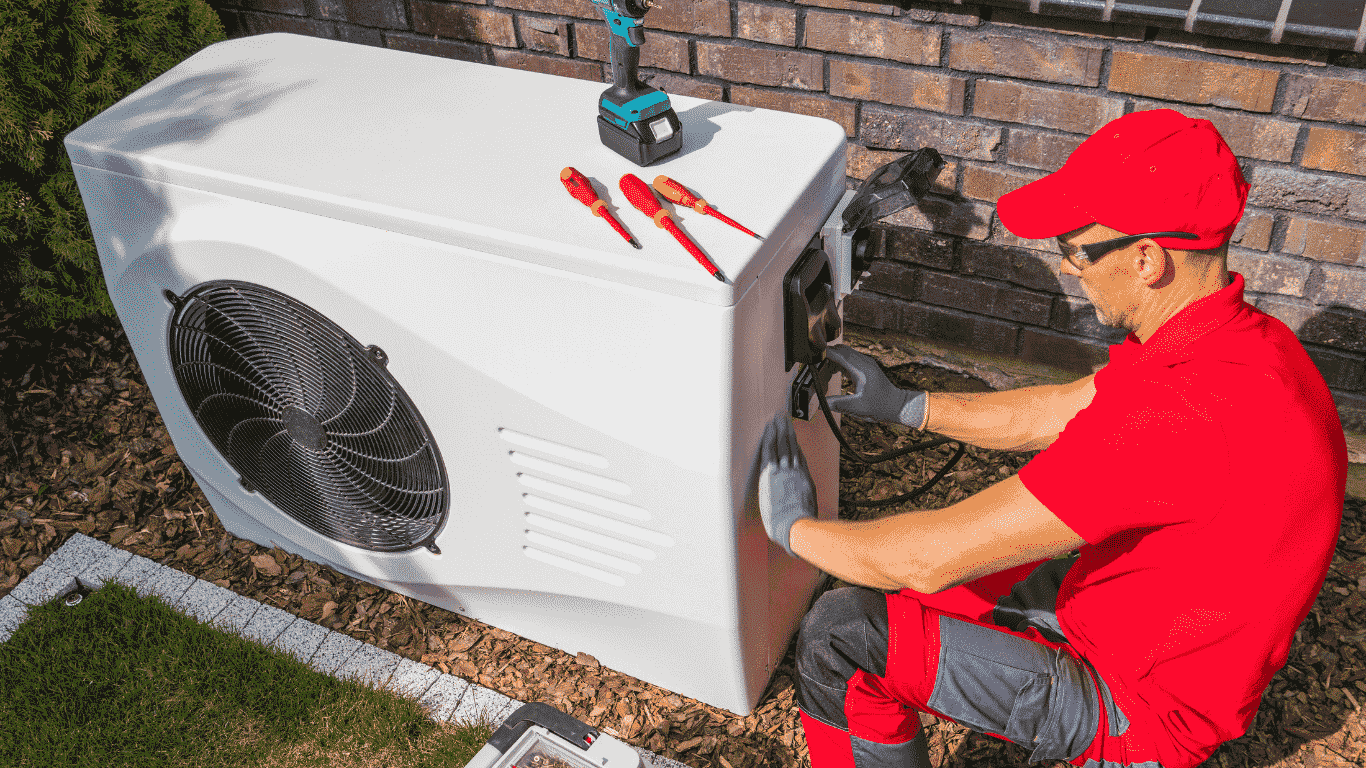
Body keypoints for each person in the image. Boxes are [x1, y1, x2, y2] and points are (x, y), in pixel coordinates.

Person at [755, 108, 1349, 768]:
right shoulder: (1243, 346)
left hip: (1142, 713)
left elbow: (930, 556)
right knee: (928, 592)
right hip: (1158, 628)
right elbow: (1060, 410)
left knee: (840, 636)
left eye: (1076, 250)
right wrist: (908, 405)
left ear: (1147, 258)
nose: (1069, 270)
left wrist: (792, 530)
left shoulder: (1178, 416)